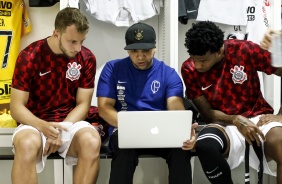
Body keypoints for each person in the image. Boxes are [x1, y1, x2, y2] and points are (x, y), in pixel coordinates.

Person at [181, 21, 282, 184]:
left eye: (203, 60)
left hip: (258, 117)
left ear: (220, 51)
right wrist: (235, 119)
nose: (198, 65)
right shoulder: (189, 68)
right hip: (223, 122)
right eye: (194, 59)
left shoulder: (244, 50)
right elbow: (208, 114)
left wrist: (280, 115)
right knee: (205, 145)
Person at [97, 22, 197, 184]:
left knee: (182, 149)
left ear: (155, 48)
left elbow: (175, 108)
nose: (140, 56)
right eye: (134, 51)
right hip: (125, 131)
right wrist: (131, 126)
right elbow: (104, 108)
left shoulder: (168, 74)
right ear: (127, 49)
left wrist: (184, 132)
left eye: (146, 50)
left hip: (161, 133)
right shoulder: (113, 68)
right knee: (124, 149)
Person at [10, 7, 101, 184]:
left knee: (91, 141)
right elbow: (16, 107)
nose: (78, 48)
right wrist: (45, 127)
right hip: (35, 123)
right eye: (72, 41)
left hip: (68, 122)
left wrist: (60, 128)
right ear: (56, 33)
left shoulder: (87, 57)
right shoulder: (30, 56)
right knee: (26, 144)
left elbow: (83, 104)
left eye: (82, 41)